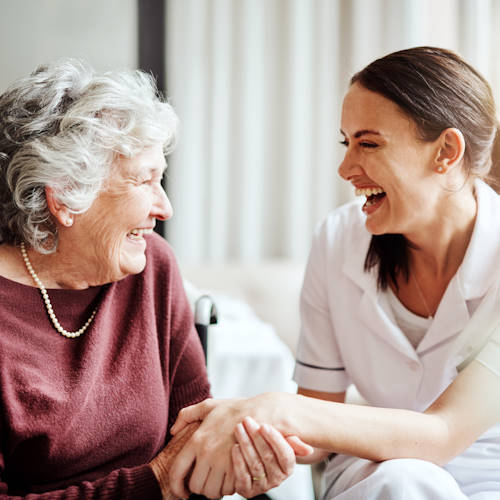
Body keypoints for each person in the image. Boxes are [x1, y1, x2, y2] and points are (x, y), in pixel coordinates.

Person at [168, 47, 500, 499]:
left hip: (486, 481)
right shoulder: (339, 239)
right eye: (346, 143)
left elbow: (442, 434)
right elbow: (315, 425)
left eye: (368, 143)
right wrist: (255, 442)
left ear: (446, 151)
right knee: (400, 481)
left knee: (411, 480)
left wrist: (282, 410)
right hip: (373, 480)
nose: (345, 169)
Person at [0, 59, 308, 499]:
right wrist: (158, 481)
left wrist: (237, 456)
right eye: (145, 181)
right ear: (65, 196)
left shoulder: (150, 268)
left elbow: (193, 430)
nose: (164, 208)